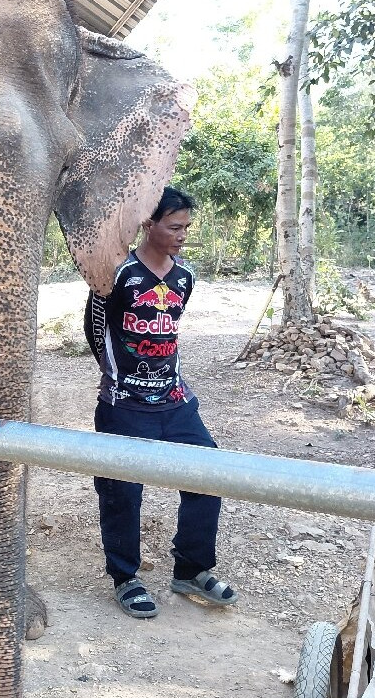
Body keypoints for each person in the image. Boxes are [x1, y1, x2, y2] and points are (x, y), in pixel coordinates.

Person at [84, 186, 237, 619]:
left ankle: (191, 569)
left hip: (175, 401)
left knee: (209, 473)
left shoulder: (184, 278)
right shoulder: (117, 274)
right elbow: (95, 332)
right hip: (124, 403)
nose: (182, 235)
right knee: (122, 491)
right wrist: (121, 380)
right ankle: (125, 577)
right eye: (174, 226)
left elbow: (169, 335)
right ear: (148, 224)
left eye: (186, 227)